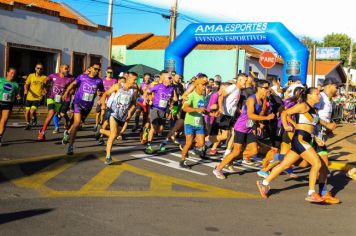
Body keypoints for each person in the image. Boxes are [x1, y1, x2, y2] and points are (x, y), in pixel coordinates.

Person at [256, 87, 330, 203]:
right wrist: (285, 125)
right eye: (316, 94)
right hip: (300, 139)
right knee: (317, 163)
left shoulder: (312, 109)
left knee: (285, 164)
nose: (319, 96)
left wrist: (317, 137)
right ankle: (311, 192)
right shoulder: (303, 106)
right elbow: (285, 112)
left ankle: (264, 183)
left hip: (306, 138)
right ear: (309, 96)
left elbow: (311, 126)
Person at [213, 80, 275, 179]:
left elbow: (258, 114)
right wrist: (266, 118)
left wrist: (258, 124)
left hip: (250, 128)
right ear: (259, 88)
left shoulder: (262, 100)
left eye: (268, 87)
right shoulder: (252, 99)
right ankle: (218, 168)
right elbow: (250, 115)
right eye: (266, 88)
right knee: (236, 151)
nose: (268, 89)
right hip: (241, 127)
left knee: (254, 151)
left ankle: (230, 160)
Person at [61, 62, 104, 155]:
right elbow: (72, 84)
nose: (97, 71)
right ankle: (70, 147)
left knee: (78, 124)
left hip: (88, 106)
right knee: (76, 124)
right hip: (78, 103)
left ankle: (67, 133)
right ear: (91, 68)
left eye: (99, 70)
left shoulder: (99, 81)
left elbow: (102, 91)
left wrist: (101, 97)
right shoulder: (82, 77)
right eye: (95, 69)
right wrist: (66, 93)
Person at [313, 77, 341, 204]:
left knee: (301, 162)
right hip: (313, 135)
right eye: (337, 86)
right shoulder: (321, 97)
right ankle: (322, 193)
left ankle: (323, 192)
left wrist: (328, 129)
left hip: (321, 135)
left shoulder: (328, 100)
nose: (338, 89)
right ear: (329, 86)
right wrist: (326, 125)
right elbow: (311, 115)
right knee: (323, 165)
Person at [99, 72, 138, 164]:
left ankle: (101, 131)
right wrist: (103, 105)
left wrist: (130, 111)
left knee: (116, 135)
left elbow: (133, 103)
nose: (135, 81)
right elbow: (105, 94)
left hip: (122, 116)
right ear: (128, 78)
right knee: (113, 135)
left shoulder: (133, 91)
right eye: (134, 79)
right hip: (114, 113)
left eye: (136, 80)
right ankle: (108, 157)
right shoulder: (118, 86)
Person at [143, 70, 177, 153]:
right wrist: (147, 99)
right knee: (153, 128)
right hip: (155, 108)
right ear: (164, 78)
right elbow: (147, 91)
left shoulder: (172, 88)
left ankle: (147, 131)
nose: (171, 79)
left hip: (163, 110)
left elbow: (174, 98)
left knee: (161, 130)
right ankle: (149, 145)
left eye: (171, 78)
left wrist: (172, 103)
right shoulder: (157, 86)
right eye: (169, 78)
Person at [37, 64, 74, 140]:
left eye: (68, 69)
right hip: (51, 98)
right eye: (66, 68)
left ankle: (67, 120)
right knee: (51, 113)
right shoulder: (53, 75)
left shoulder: (71, 78)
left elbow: (74, 87)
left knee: (61, 114)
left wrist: (71, 91)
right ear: (60, 68)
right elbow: (45, 81)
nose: (67, 70)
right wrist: (43, 88)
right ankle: (42, 132)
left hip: (62, 99)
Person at [179, 76, 208, 168]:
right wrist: (197, 109)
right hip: (190, 123)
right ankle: (182, 161)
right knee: (189, 143)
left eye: (205, 85)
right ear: (197, 85)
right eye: (203, 85)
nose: (204, 87)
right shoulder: (191, 95)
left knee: (201, 144)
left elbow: (202, 110)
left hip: (199, 123)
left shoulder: (203, 96)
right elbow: (185, 108)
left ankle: (185, 147)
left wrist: (210, 113)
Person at [23, 63, 47, 130]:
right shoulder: (31, 75)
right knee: (27, 112)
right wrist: (25, 90)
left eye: (41, 68)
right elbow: (26, 84)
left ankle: (30, 122)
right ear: (35, 68)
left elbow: (45, 86)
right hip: (29, 97)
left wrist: (44, 91)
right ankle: (28, 123)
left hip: (38, 97)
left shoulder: (44, 77)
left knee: (32, 111)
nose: (39, 69)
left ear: (43, 70)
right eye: (38, 68)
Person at [0, 67, 20, 146]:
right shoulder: (1, 80)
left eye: (14, 73)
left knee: (4, 121)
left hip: (8, 104)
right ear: (7, 73)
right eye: (11, 73)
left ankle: (0, 137)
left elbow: (17, 94)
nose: (13, 75)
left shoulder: (15, 84)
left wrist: (18, 96)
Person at [94, 67, 117, 132]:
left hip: (110, 99)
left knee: (105, 113)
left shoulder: (114, 80)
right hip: (102, 98)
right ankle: (96, 124)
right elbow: (98, 89)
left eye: (111, 73)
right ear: (106, 72)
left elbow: (115, 89)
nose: (109, 74)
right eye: (108, 72)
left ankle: (101, 124)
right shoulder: (102, 79)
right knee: (98, 113)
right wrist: (98, 95)